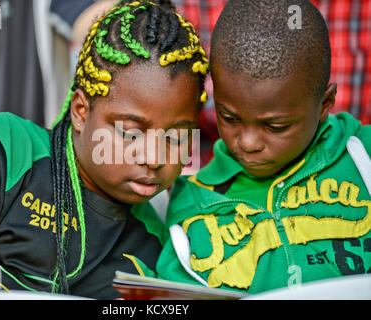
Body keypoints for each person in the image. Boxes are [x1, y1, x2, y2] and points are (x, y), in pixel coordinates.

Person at [0, 0, 208, 299]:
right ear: (81, 111)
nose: (153, 157)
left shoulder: (156, 242)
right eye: (131, 132)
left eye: (175, 138)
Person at [155, 0, 371, 295]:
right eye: (229, 118)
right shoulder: (193, 206)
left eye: (276, 126)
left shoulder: (363, 156)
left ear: (325, 104)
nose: (248, 143)